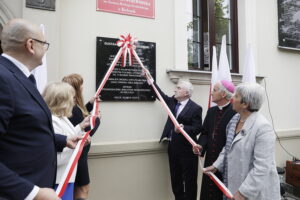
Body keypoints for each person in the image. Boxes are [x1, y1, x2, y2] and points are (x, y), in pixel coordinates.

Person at [0, 18, 81, 200]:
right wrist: (32, 193)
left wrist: (62, 140)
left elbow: (22, 129)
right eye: (44, 43)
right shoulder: (3, 79)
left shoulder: (23, 78)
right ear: (31, 45)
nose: (45, 49)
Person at [204, 83, 280, 200]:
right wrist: (216, 165)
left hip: (254, 192)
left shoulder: (263, 127)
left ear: (245, 104)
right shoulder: (235, 119)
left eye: (237, 96)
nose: (232, 98)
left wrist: (244, 192)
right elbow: (228, 147)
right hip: (235, 186)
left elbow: (262, 167)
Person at [143, 69, 202, 200]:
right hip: (173, 148)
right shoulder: (172, 102)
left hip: (187, 150)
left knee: (190, 181)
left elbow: (198, 128)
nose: (175, 90)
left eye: (178, 88)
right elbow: (160, 95)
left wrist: (183, 128)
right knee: (176, 180)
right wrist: (149, 80)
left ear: (186, 93)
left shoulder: (195, 108)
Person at [43, 82, 91, 200]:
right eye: (72, 98)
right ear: (62, 100)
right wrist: (78, 145)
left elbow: (67, 136)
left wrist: (80, 127)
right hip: (59, 180)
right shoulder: (52, 121)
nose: (74, 101)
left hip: (67, 176)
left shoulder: (62, 117)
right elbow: (55, 158)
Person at [192, 80, 236, 200]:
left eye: (214, 90)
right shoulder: (211, 111)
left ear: (223, 94)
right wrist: (201, 145)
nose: (211, 93)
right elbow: (205, 133)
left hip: (225, 161)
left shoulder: (235, 112)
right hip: (210, 159)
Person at [62, 74, 100, 200]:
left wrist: (90, 104)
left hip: (78, 155)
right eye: (81, 85)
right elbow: (87, 132)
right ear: (76, 89)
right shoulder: (74, 109)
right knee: (83, 189)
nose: (83, 87)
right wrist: (97, 120)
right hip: (78, 156)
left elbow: (80, 116)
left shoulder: (71, 106)